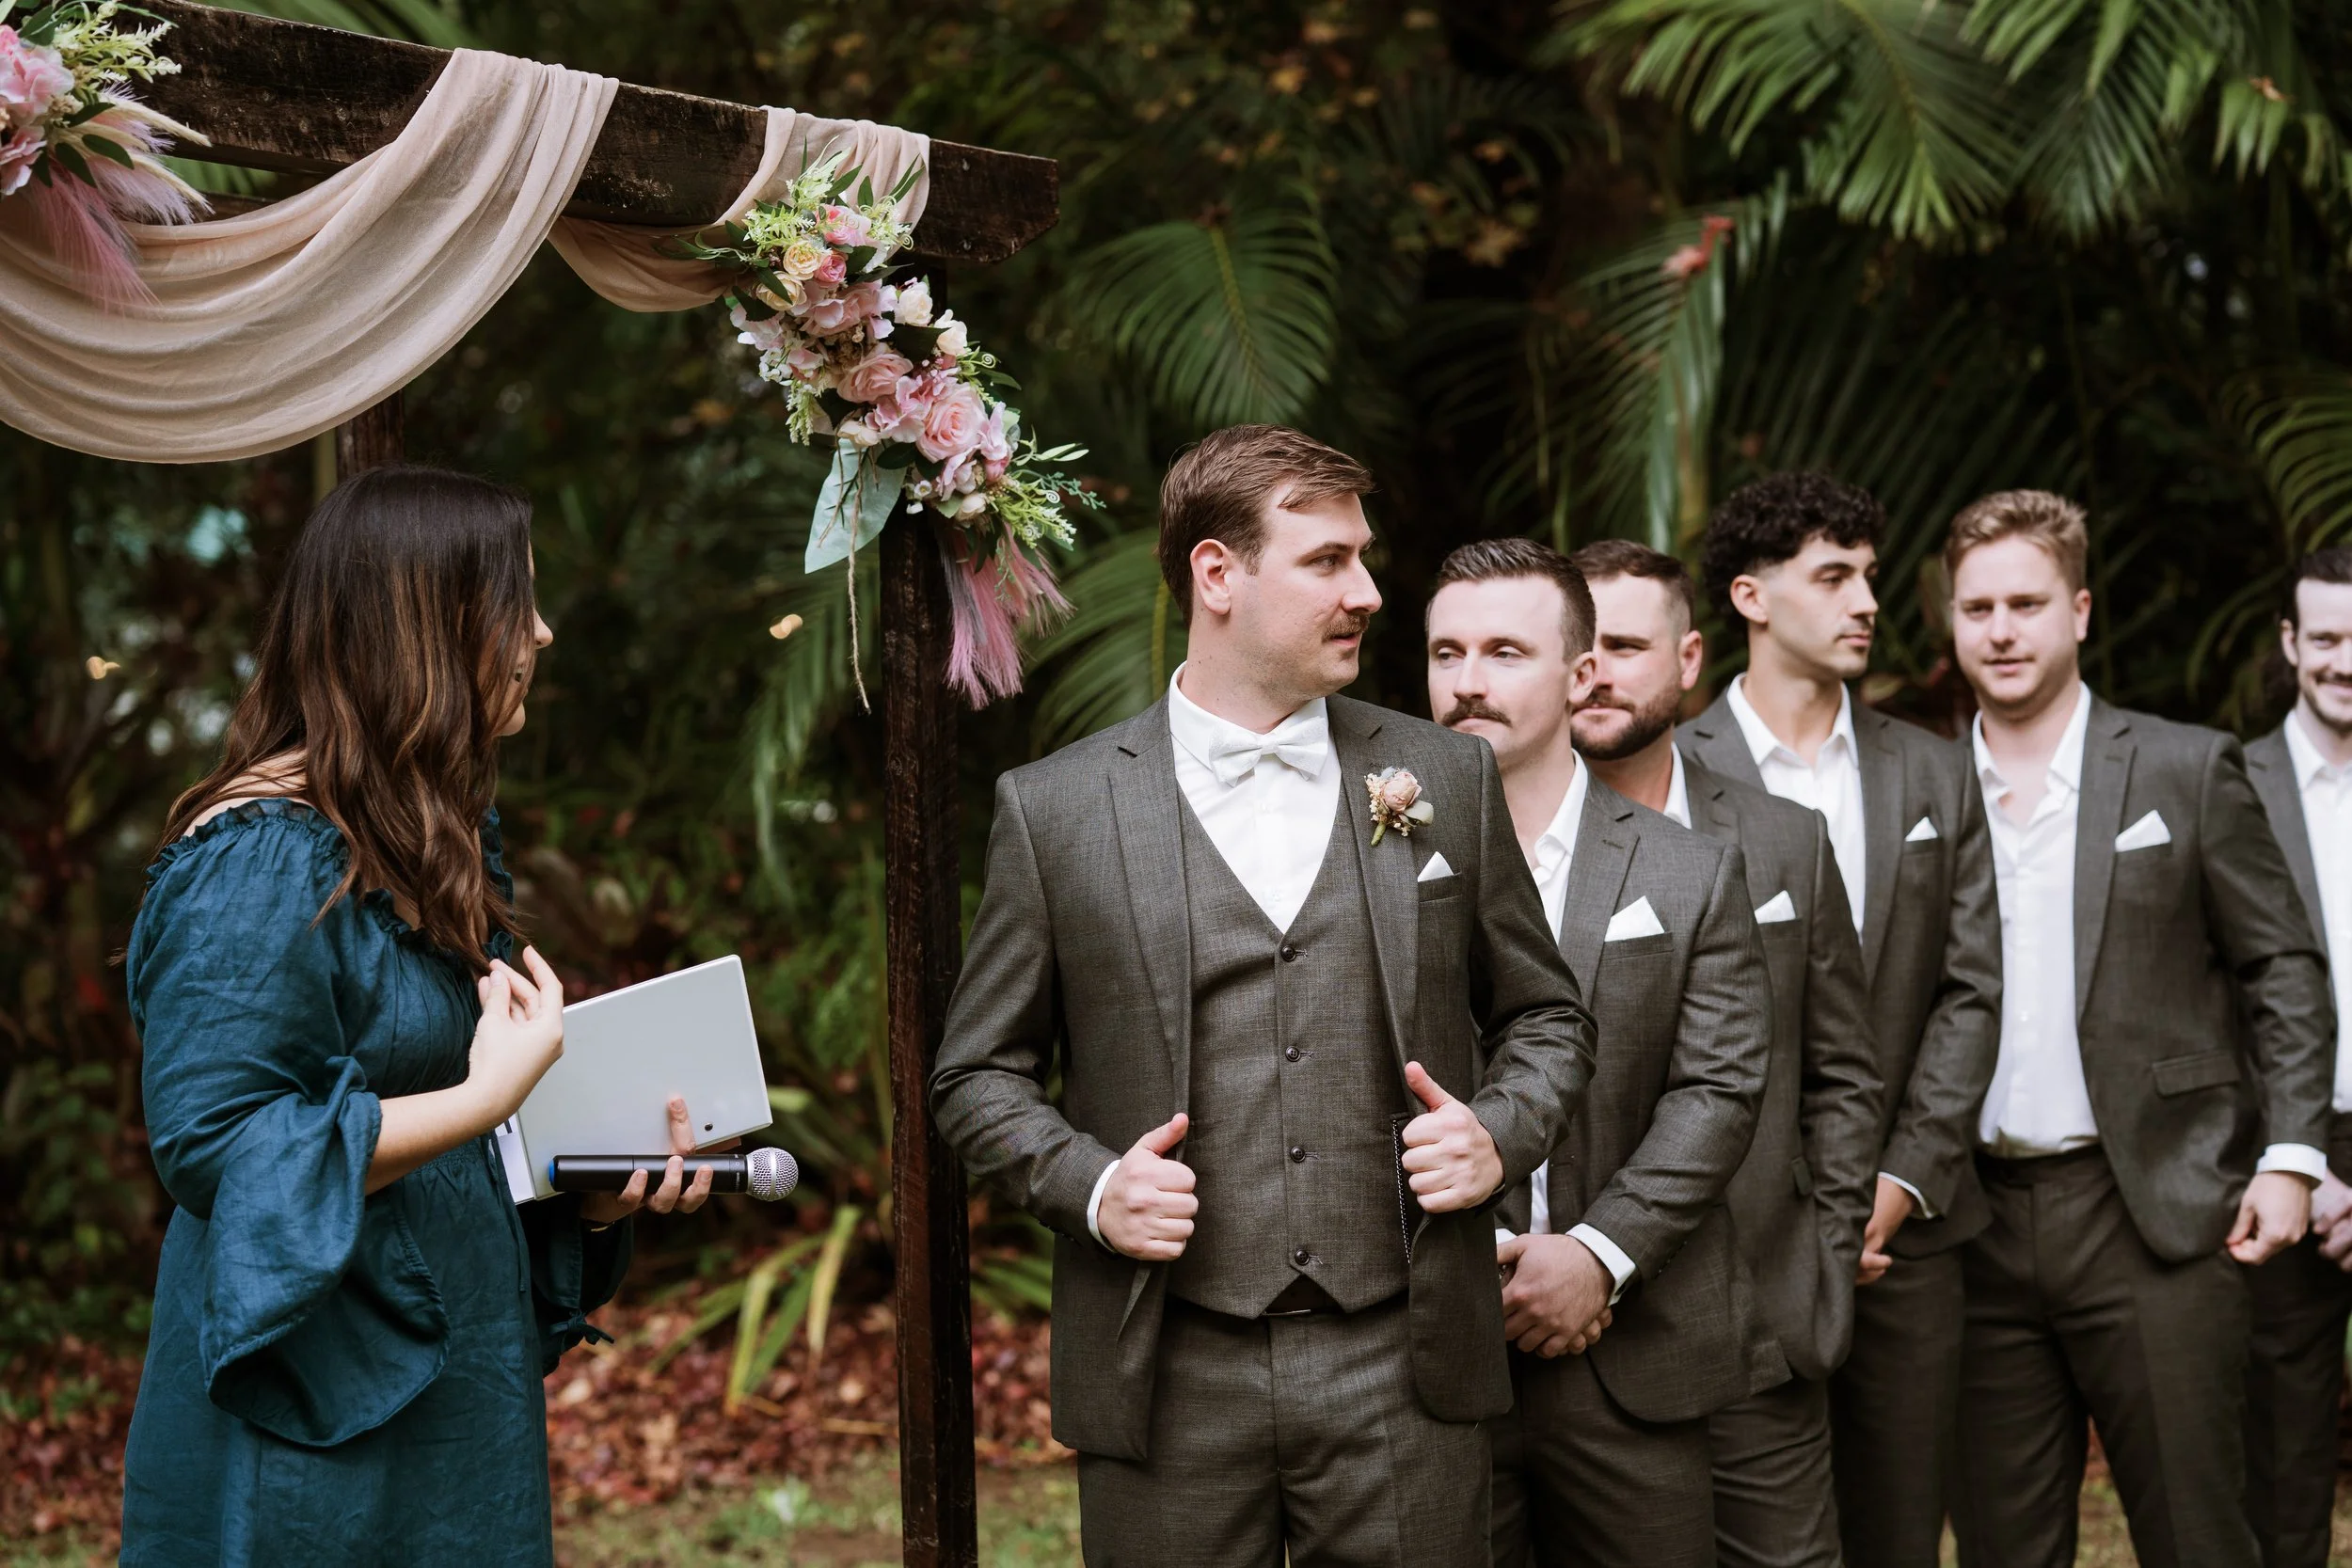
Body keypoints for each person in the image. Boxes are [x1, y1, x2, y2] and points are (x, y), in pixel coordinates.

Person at [929, 425, 1595, 1566]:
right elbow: (975, 1074)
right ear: (1217, 575)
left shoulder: (1440, 775)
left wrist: (1498, 1131)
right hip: (1167, 1361)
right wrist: (1091, 1187)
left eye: (1363, 558)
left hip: (1403, 1356)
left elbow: (1546, 1013)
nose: (1369, 592)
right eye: (1328, 560)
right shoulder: (1059, 809)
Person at [119, 466, 717, 1567]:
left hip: (455, 1393)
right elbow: (220, 1145)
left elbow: (444, 1134)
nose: (539, 629)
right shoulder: (256, 861)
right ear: (427, 626)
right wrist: (488, 1093)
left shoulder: (422, 837)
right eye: (513, 601)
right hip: (313, 1416)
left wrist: (583, 1194)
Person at [1942, 490, 2334, 1568]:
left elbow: (2283, 966)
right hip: (1974, 1222)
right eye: (1977, 606)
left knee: (2199, 1537)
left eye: (2025, 602)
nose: (2001, 630)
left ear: (2078, 610)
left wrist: (2293, 1153)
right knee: (2001, 1547)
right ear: (1951, 618)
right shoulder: (1921, 783)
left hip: (2156, 1207)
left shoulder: (2181, 767)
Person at [1425, 538, 1775, 1568]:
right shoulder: (1366, 854)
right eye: (1446, 653)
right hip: (1424, 1352)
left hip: (1630, 1343)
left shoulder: (1690, 869)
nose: (1467, 684)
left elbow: (1716, 1089)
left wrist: (1597, 1253)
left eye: (1502, 651)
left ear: (1581, 676)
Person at [1680, 473, 2002, 1568]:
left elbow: (1969, 988)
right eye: (1832, 576)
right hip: (1738, 1237)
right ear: (1751, 597)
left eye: (1868, 575)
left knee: (1902, 1531)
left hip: (1905, 1234)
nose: (1866, 599)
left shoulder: (1931, 768)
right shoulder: (1669, 771)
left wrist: (1897, 1180)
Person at [1569, 539, 1882, 1567]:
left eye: (1622, 644)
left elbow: (1840, 1066)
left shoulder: (1781, 837)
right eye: (1578, 645)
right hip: (1579, 1326)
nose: (1595, 670)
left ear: (1690, 656)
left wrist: (1821, 1250)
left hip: (1760, 1317)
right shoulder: (1496, 833)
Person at [2241, 544, 2352, 1568]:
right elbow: (2210, 994)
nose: (2345, 660)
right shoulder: (2228, 785)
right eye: (2325, 637)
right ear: (2290, 643)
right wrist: (2302, 1158)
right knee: (2282, 1434)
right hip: (2283, 1145)